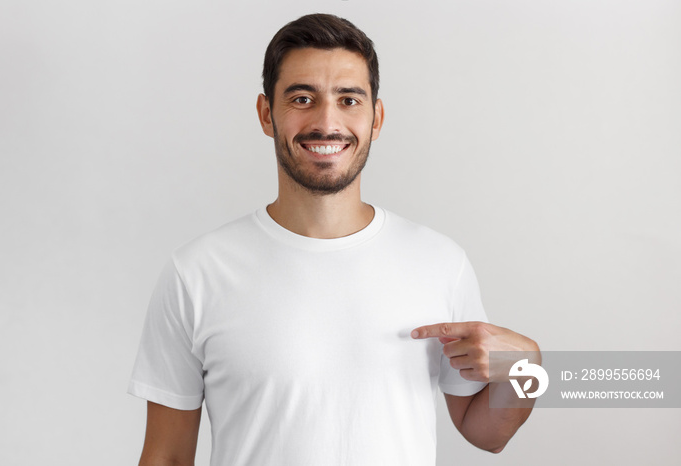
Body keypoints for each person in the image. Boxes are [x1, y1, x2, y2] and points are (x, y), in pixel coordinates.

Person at [129, 13, 541, 466]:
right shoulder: (197, 273)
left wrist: (528, 369)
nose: (327, 122)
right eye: (302, 98)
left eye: (349, 100)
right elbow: (166, 455)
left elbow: (486, 434)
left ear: (376, 118)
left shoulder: (441, 263)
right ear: (267, 114)